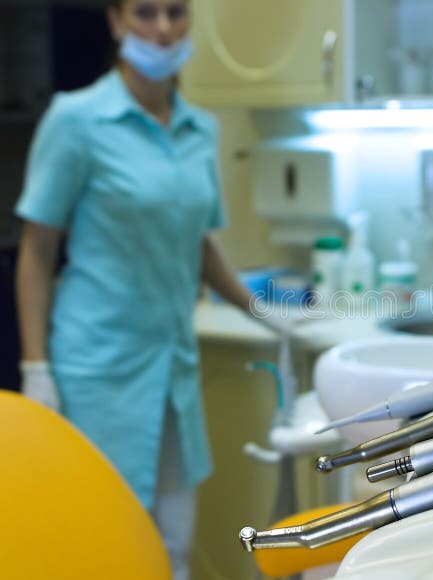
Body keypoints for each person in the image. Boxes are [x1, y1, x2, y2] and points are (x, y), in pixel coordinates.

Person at [14, 1, 266, 577]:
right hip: (97, 369)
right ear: (116, 21)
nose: (161, 29)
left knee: (172, 547)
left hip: (172, 370)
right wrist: (36, 366)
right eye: (145, 13)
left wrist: (264, 309)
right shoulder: (77, 119)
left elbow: (198, 245)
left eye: (176, 13)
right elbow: (37, 249)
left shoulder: (201, 128)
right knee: (99, 546)